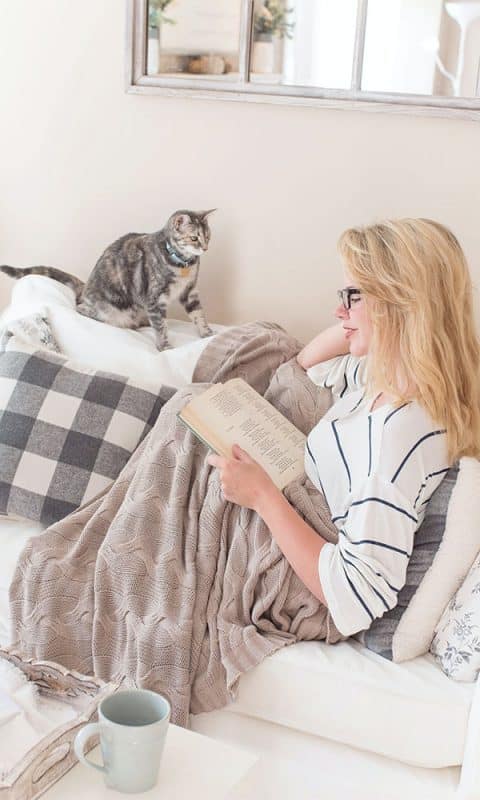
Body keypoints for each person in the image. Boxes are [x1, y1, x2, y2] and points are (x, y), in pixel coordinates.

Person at [208, 218, 480, 637]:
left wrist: (262, 496)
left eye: (353, 296)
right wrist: (368, 323)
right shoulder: (386, 378)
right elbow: (304, 369)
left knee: (183, 436)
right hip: (287, 502)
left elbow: (354, 595)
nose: (339, 311)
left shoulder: (397, 436)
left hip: (295, 574)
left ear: (400, 303)